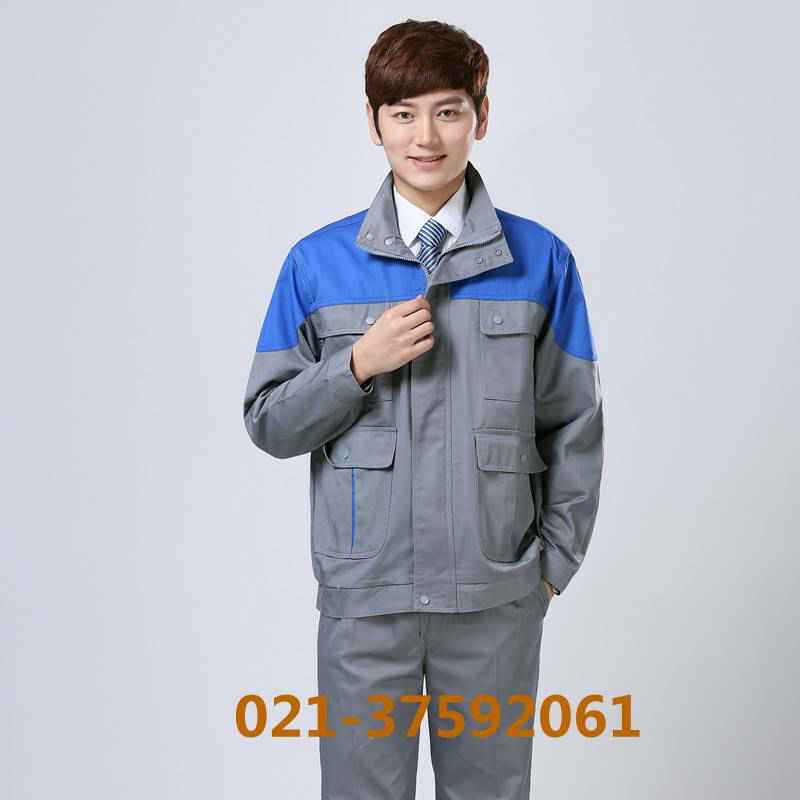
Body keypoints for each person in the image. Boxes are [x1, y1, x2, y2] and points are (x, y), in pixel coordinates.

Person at [243, 18, 604, 800]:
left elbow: (575, 424)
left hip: (494, 603)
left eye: (448, 110)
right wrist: (356, 366)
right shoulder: (317, 264)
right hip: (366, 607)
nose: (426, 136)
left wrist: (548, 572)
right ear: (374, 123)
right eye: (403, 113)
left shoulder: (541, 261)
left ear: (482, 115)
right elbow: (269, 420)